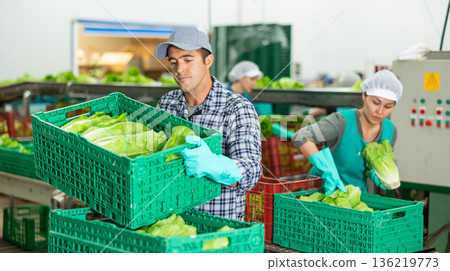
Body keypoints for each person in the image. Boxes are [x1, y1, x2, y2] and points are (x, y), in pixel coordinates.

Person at [155, 26, 262, 221]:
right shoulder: (166, 103)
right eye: (173, 62)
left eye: (188, 60)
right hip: (171, 221)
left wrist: (213, 165)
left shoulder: (237, 108)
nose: (180, 70)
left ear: (208, 61)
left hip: (216, 228)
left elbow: (252, 172)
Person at [292, 70, 403, 195]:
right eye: (375, 103)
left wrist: (379, 173)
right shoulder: (341, 122)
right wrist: (326, 169)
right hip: (321, 192)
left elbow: (385, 160)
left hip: (355, 196)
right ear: (364, 96)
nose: (380, 111)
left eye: (388, 106)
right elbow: (301, 136)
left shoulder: (390, 130)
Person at [227, 61, 295, 139]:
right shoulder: (224, 97)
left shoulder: (246, 97)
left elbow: (257, 117)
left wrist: (279, 129)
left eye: (255, 80)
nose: (254, 84)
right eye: (252, 79)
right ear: (240, 77)